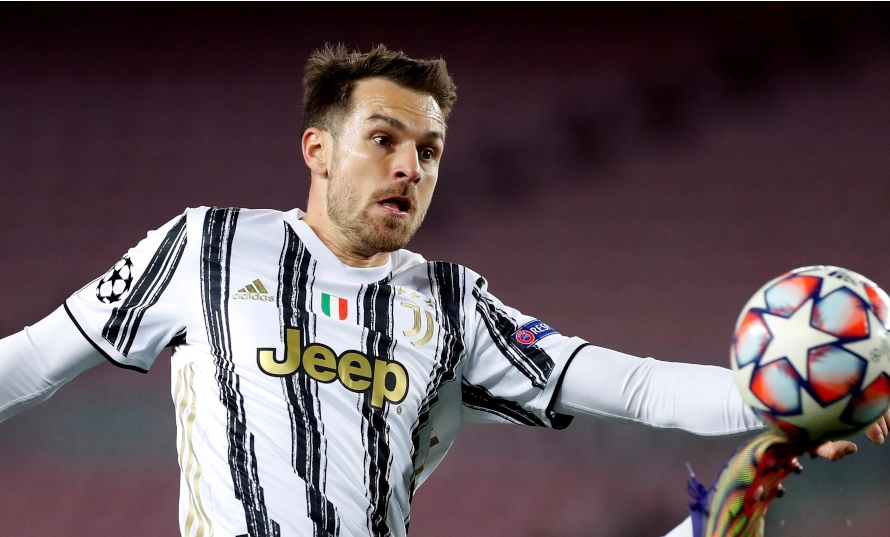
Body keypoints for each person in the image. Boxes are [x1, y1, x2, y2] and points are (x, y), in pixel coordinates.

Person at [0, 44, 887, 537]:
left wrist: (788, 402)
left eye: (428, 151)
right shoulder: (208, 247)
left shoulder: (453, 305)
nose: (410, 167)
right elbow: (36, 358)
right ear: (317, 150)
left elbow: (638, 385)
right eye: (384, 139)